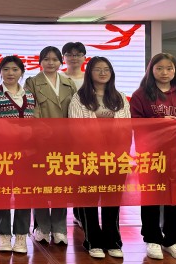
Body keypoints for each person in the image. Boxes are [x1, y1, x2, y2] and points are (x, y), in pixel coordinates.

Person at [130, 52, 176, 262]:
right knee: (151, 198)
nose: (164, 72)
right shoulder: (141, 95)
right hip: (151, 156)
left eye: (169, 68)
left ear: (174, 71)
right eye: (159, 68)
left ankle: (172, 240)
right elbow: (134, 124)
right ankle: (152, 238)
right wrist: (160, 122)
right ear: (151, 70)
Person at [68, 56, 130, 259]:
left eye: (106, 69)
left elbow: (126, 127)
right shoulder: (80, 98)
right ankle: (92, 241)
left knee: (112, 199)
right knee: (89, 199)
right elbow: (76, 128)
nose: (103, 73)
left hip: (115, 157)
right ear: (89, 73)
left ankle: (113, 241)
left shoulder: (120, 97)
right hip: (89, 156)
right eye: (97, 69)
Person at [24, 46, 77, 246]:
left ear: (60, 62)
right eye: (46, 59)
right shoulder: (32, 82)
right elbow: (31, 109)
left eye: (55, 59)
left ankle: (60, 229)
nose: (51, 63)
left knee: (61, 186)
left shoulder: (68, 83)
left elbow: (75, 110)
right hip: (40, 141)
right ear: (40, 61)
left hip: (65, 142)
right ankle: (43, 227)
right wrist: (44, 132)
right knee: (39, 186)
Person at [0, 55, 35, 254]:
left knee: (24, 194)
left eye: (14, 69)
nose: (10, 73)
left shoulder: (29, 95)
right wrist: (23, 131)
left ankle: (21, 236)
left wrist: (29, 132)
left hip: (27, 155)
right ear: (0, 72)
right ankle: (3, 235)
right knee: (3, 192)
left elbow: (35, 123)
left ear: (21, 72)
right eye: (5, 69)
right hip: (2, 154)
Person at [61, 41, 87, 229]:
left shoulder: (90, 78)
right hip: (62, 133)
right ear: (64, 58)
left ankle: (80, 213)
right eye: (70, 54)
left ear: (84, 57)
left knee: (82, 174)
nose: (74, 58)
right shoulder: (59, 78)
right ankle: (58, 219)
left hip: (85, 134)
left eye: (78, 54)